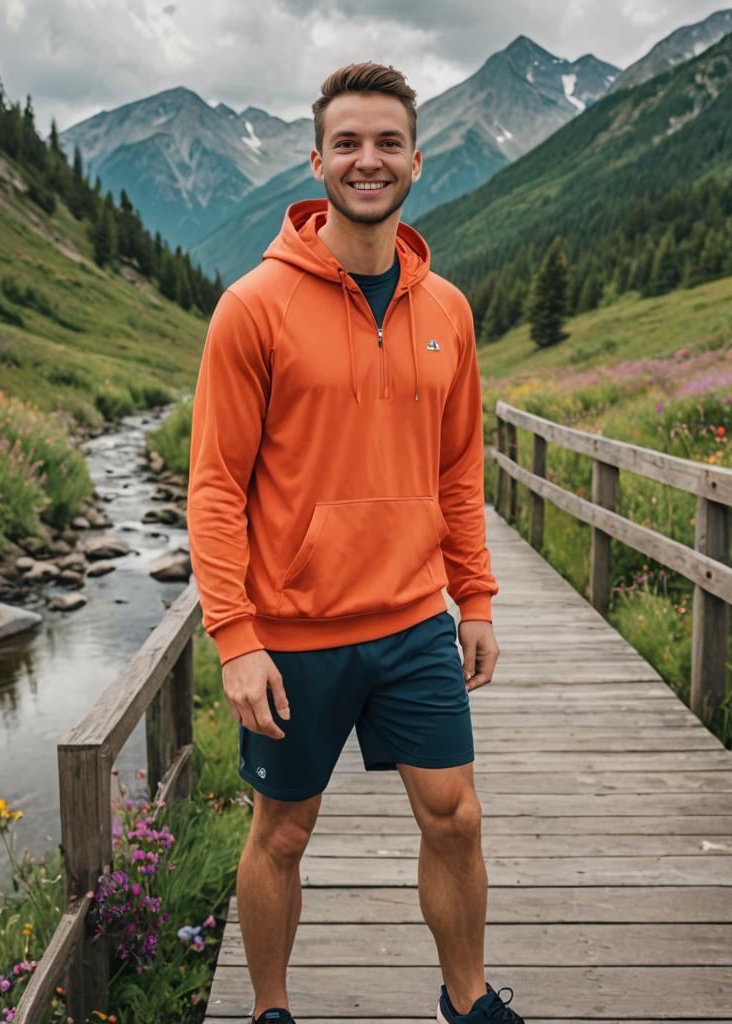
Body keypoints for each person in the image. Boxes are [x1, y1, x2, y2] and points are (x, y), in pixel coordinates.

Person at [187, 61, 520, 1024]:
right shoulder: (254, 306)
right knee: (283, 834)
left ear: (416, 160)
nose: (366, 161)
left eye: (385, 143)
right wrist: (235, 638)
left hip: (415, 619)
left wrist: (479, 598)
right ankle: (270, 1010)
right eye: (347, 143)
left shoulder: (447, 310)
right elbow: (214, 486)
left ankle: (469, 1000)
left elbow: (459, 470)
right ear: (317, 160)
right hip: (292, 627)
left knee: (455, 818)